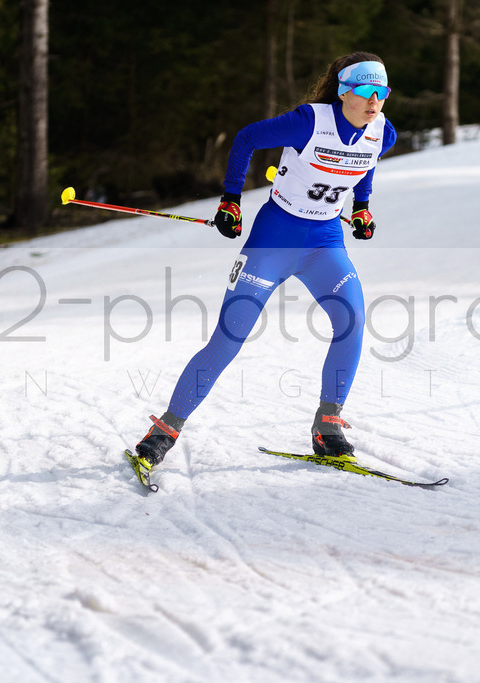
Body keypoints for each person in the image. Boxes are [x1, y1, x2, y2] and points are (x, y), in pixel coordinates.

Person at [133, 51, 397, 469]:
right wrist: (231, 200)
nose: (374, 100)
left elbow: (364, 165)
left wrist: (361, 206)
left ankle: (327, 425)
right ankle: (165, 429)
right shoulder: (309, 121)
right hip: (274, 240)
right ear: (345, 91)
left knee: (352, 321)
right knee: (231, 335)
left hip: (325, 243)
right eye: (366, 91)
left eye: (382, 92)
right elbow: (246, 138)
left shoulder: (383, 131)